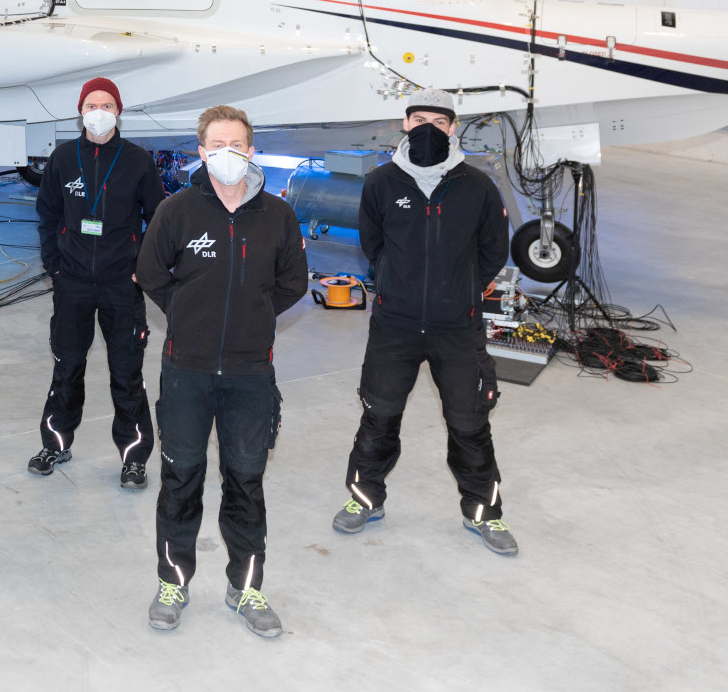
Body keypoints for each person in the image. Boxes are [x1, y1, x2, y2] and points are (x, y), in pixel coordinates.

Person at [134, 106, 307, 639]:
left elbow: (292, 284)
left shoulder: (278, 216)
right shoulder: (177, 211)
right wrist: (188, 318)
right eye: (217, 144)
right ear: (202, 151)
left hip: (251, 374)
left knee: (246, 480)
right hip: (186, 370)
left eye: (238, 144)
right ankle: (173, 580)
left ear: (251, 151)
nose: (228, 152)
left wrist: (252, 321)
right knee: (180, 477)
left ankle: (246, 586)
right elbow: (149, 273)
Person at [333, 95, 515, 554]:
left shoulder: (477, 186)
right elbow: (372, 244)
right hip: (395, 325)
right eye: (420, 120)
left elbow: (494, 249)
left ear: (453, 129)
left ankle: (484, 513)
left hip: (458, 328)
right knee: (379, 416)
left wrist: (462, 290)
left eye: (439, 121)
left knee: (470, 423)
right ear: (405, 124)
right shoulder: (381, 182)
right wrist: (399, 285)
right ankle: (364, 500)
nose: (429, 128)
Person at [31, 77, 165, 487]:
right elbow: (48, 214)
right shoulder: (63, 158)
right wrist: (55, 265)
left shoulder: (138, 161)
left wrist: (140, 268)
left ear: (118, 111)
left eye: (107, 104)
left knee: (126, 372)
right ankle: (55, 443)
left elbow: (157, 220)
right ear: (81, 111)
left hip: (120, 285)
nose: (99, 110)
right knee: (66, 366)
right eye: (92, 103)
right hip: (71, 282)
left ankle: (134, 456)